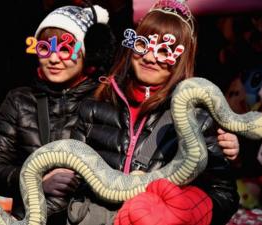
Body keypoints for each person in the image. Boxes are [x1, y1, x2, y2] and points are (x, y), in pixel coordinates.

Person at [70, 0, 240, 224]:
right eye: (142, 45)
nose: (150, 58)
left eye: (164, 51)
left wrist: (183, 211)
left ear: (181, 58)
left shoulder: (199, 119)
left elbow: (224, 194)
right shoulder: (95, 104)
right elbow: (72, 176)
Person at [0, 4, 116, 224]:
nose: (53, 59)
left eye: (65, 49)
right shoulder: (19, 100)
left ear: (87, 53)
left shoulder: (106, 102)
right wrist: (36, 181)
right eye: (45, 48)